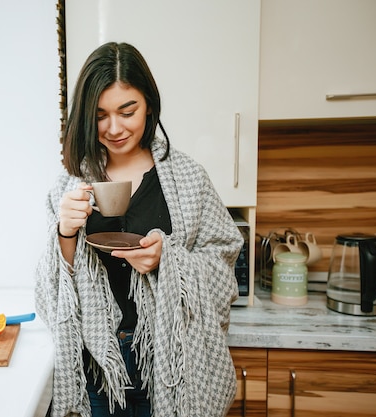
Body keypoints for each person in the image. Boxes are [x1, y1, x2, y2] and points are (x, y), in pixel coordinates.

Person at [35, 42, 243, 417]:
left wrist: (169, 259)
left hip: (173, 362)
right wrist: (65, 232)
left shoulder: (187, 178)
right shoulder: (69, 183)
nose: (114, 128)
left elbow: (223, 261)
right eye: (100, 115)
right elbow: (50, 294)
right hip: (96, 367)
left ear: (148, 103)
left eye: (127, 111)